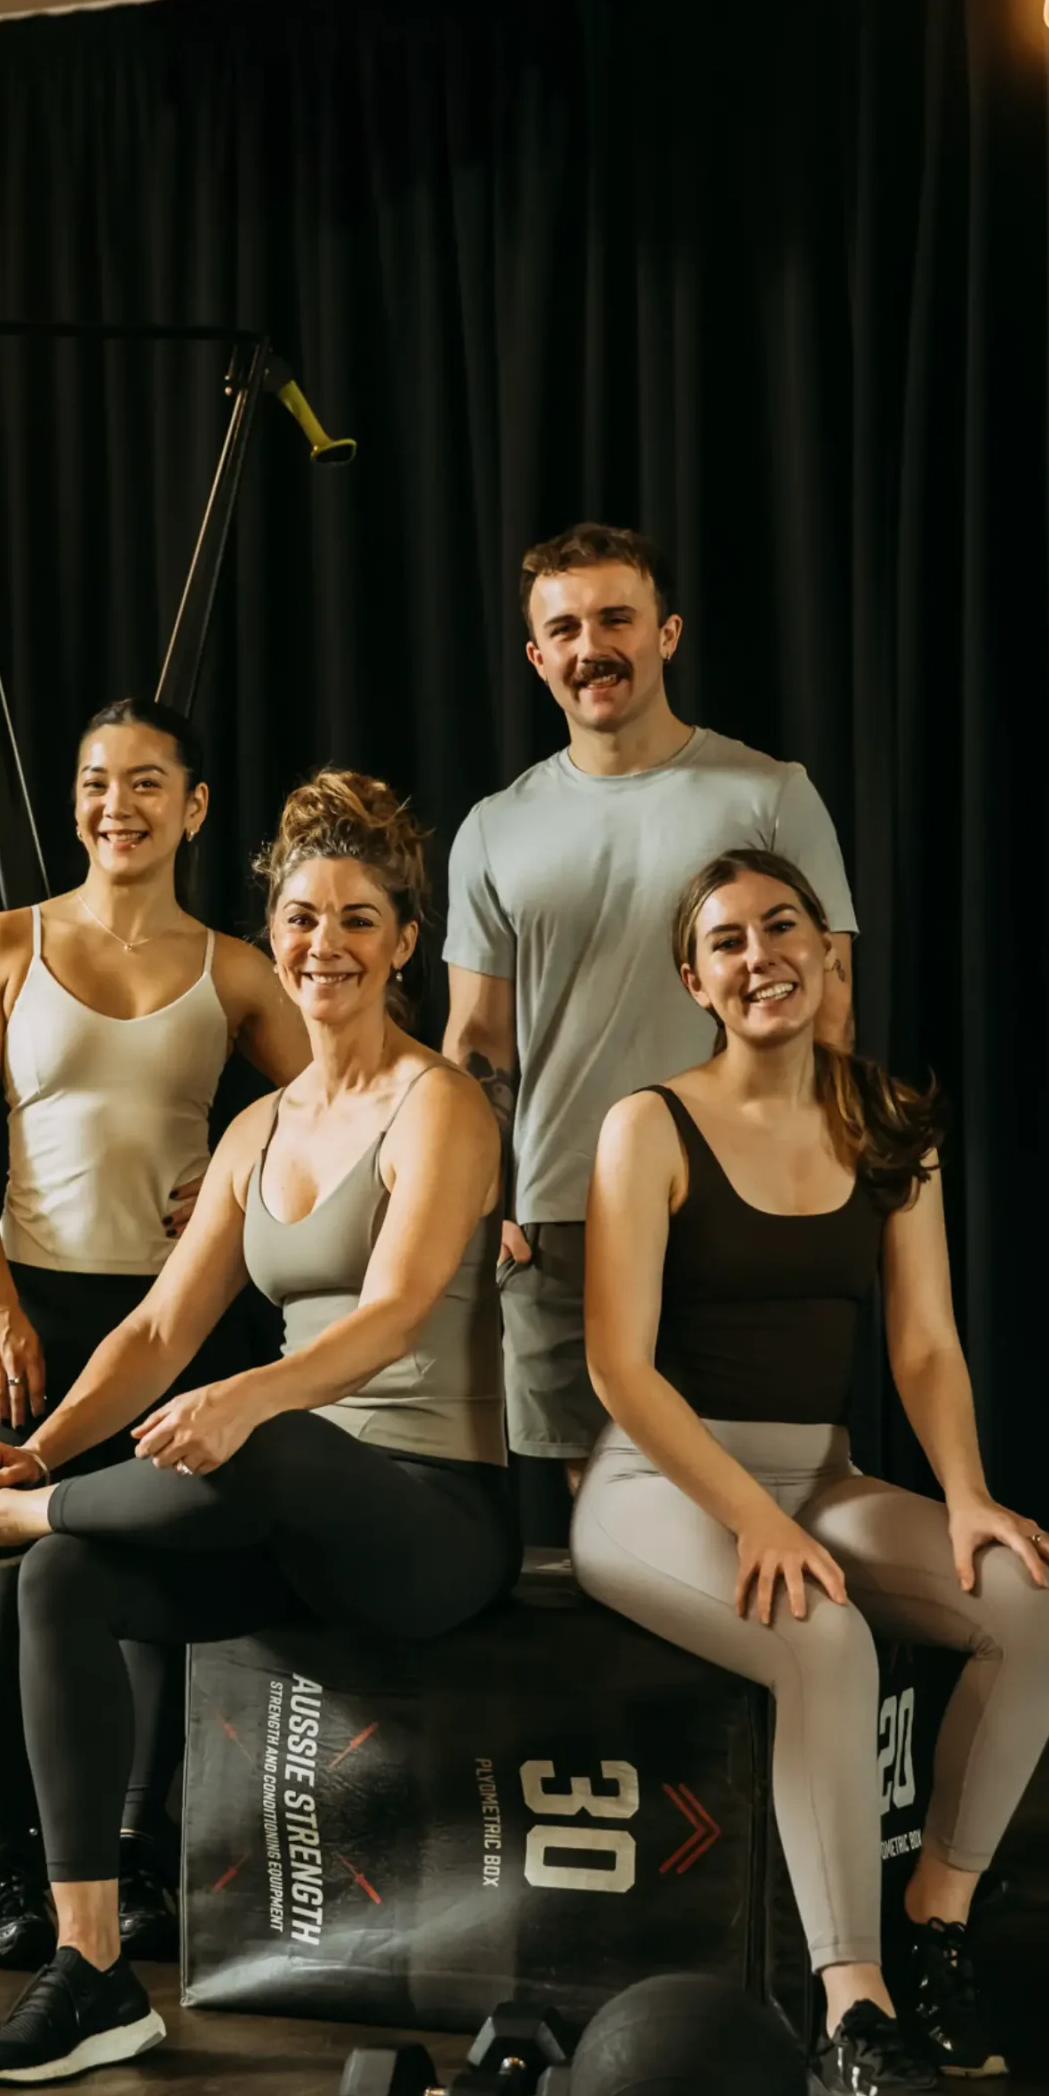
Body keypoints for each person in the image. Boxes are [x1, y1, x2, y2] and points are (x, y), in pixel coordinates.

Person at [0, 771, 517, 2086]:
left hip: (424, 1522)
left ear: (403, 943)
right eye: (301, 919)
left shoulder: (440, 1106)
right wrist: (47, 1446)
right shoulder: (257, 1128)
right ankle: (88, 1971)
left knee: (252, 1437)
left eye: (357, 920)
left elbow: (393, 1311)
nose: (323, 946)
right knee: (65, 1578)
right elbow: (153, 1333)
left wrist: (248, 1397)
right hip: (282, 1510)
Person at [573, 848, 1049, 2096]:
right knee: (821, 1633)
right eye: (728, 942)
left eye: (780, 927)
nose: (761, 958)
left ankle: (931, 1925)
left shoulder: (882, 1119)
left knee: (1029, 1604)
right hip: (657, 1482)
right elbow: (616, 1369)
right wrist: (748, 1515)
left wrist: (964, 1497)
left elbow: (922, 1345)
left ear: (822, 949)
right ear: (693, 978)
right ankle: (846, 2022)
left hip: (823, 1474)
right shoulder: (648, 1125)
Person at [0, 695, 308, 1972]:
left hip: (170, 1322)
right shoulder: (1, 945)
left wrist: (249, 1158)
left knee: (136, 1603)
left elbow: (347, 1096)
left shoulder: (236, 967)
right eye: (97, 781)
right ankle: (1, 1861)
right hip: (26, 1312)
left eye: (148, 783)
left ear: (192, 807)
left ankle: (133, 1852)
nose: (117, 806)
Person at [444, 522, 857, 1499]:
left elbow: (830, 1010)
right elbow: (475, 1043)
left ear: (666, 632)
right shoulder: (494, 827)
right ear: (539, 656)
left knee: (770, 1507)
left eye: (617, 617)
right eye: (568, 627)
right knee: (617, 1525)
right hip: (562, 1212)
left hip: (740, 1207)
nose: (595, 646)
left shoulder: (770, 796)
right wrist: (483, 1197)